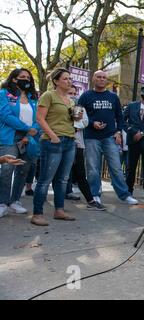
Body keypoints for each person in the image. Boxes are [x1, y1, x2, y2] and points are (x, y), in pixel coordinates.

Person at [78, 70, 138, 205]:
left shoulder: (113, 97)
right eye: (98, 77)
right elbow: (79, 116)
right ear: (93, 79)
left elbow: (119, 117)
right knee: (93, 168)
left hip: (109, 136)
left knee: (116, 167)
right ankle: (95, 194)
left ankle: (124, 195)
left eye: (104, 77)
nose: (101, 79)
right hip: (91, 137)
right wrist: (92, 123)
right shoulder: (85, 96)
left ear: (107, 80)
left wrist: (118, 131)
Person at [31, 68, 81, 226]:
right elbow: (39, 118)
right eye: (65, 79)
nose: (69, 81)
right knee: (45, 179)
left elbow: (73, 122)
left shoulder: (71, 100)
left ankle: (59, 210)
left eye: (70, 78)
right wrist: (52, 136)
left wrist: (77, 120)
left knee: (63, 179)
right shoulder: (48, 95)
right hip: (52, 141)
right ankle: (37, 214)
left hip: (69, 141)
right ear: (56, 81)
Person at [0, 68, 40, 217]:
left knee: (23, 170)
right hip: (10, 137)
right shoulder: (4, 94)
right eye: (22, 77)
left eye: (28, 77)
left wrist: (31, 131)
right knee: (6, 169)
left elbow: (39, 118)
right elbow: (5, 115)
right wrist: (26, 128)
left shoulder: (33, 97)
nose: (26, 79)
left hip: (28, 138)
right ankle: (2, 203)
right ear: (14, 79)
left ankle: (15, 201)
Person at [64, 85, 105, 210]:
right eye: (69, 92)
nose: (72, 95)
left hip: (77, 143)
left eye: (74, 93)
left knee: (81, 173)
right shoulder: (58, 104)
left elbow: (85, 122)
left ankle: (91, 200)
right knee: (60, 174)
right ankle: (53, 202)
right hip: (61, 142)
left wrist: (76, 124)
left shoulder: (78, 107)